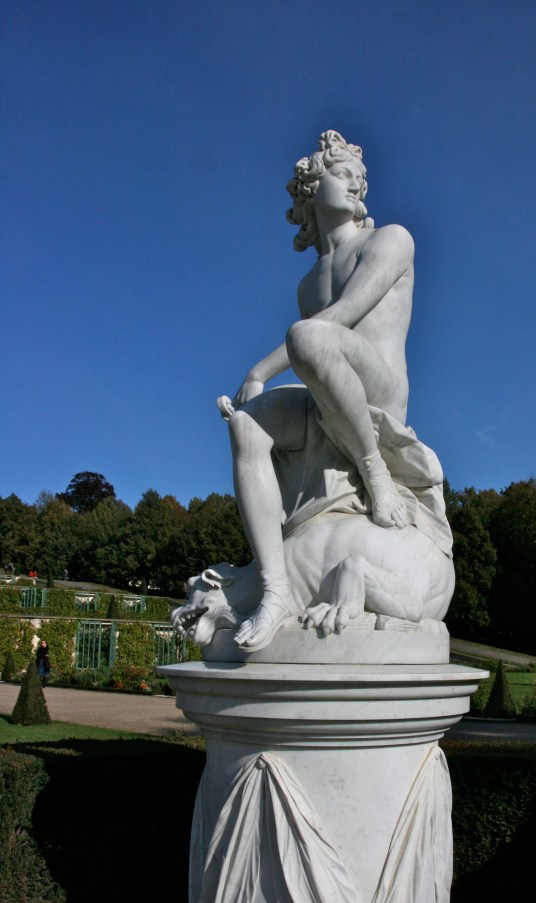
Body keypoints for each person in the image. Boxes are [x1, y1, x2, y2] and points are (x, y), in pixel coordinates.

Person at [218, 131, 442, 652]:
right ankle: (274, 588)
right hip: (330, 392)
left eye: (362, 181)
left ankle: (374, 470)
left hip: (380, 393)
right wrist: (257, 388)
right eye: (345, 175)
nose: (359, 187)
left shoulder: (391, 239)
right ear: (311, 188)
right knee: (247, 426)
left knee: (308, 335)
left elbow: (343, 319)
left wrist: (260, 368)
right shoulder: (307, 284)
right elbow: (316, 353)